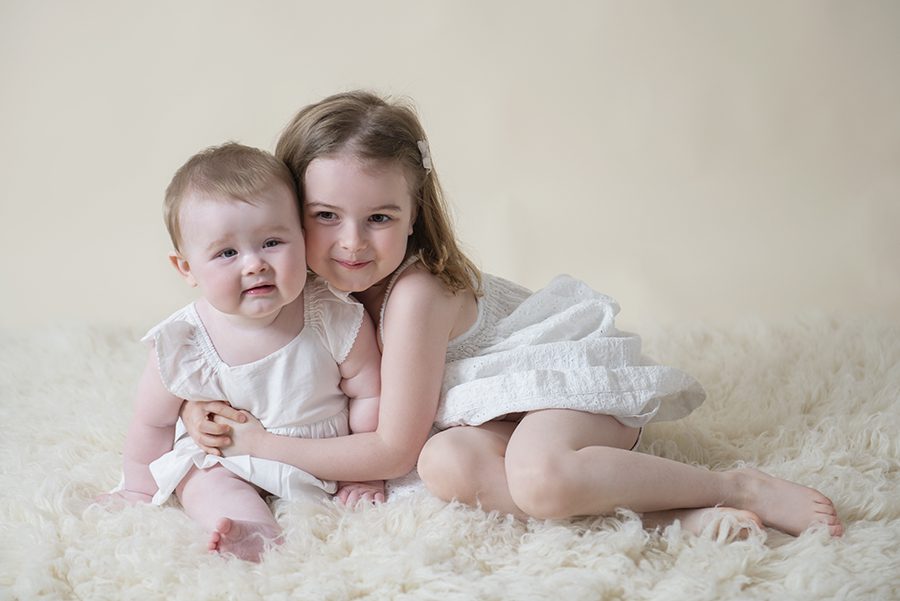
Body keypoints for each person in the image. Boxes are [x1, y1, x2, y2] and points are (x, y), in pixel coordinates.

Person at [182, 91, 843, 539]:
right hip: (488, 419)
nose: (352, 242)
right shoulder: (303, 290)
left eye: (379, 217)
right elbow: (235, 349)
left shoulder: (414, 294)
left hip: (557, 386)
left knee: (539, 474)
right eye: (325, 216)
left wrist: (257, 443)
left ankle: (733, 485)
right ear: (291, 211)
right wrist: (197, 408)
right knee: (445, 467)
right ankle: (671, 516)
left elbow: (390, 448)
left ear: (414, 215)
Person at [102, 142, 382, 561]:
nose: (254, 264)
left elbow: (370, 392)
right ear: (187, 268)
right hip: (225, 455)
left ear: (302, 240)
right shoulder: (186, 340)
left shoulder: (333, 315)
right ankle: (252, 529)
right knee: (200, 478)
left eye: (272, 242)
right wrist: (138, 487)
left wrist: (367, 475)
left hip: (320, 459)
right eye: (227, 253)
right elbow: (152, 422)